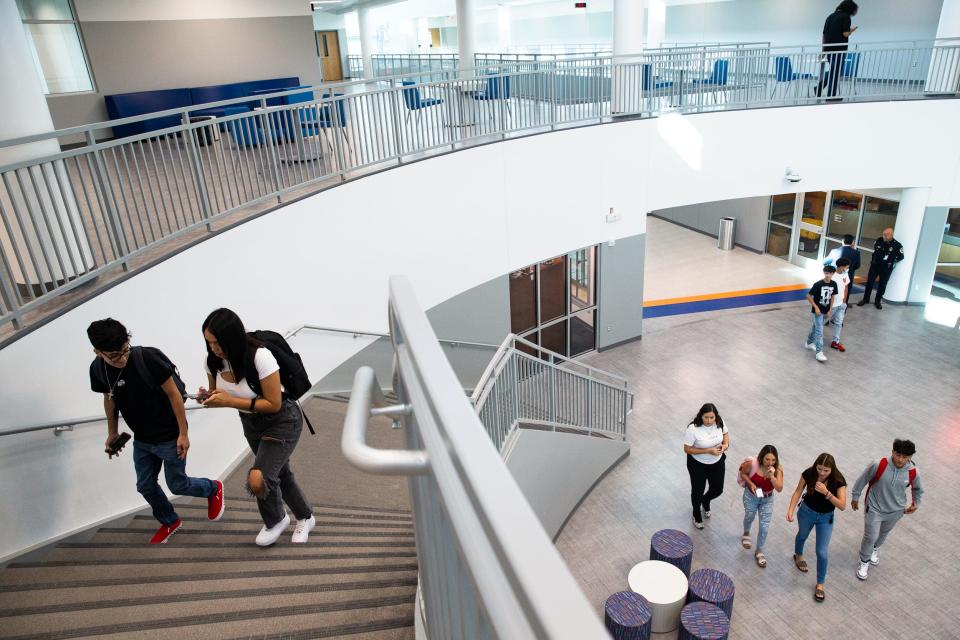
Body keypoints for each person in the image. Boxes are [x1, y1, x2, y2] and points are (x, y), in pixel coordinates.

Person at [87, 318, 224, 545]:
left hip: (169, 434)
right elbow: (108, 399)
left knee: (177, 484)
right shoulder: (98, 370)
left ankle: (212, 488)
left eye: (124, 350)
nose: (121, 358)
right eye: (113, 355)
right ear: (97, 351)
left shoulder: (147, 358)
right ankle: (170, 520)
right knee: (145, 485)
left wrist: (183, 433)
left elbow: (174, 395)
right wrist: (112, 432)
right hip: (142, 438)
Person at [200, 308, 315, 546]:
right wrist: (207, 397)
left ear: (231, 337)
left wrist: (229, 401)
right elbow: (217, 391)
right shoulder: (212, 361)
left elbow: (273, 403)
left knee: (259, 477)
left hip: (282, 419)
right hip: (250, 422)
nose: (213, 348)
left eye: (217, 343)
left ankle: (275, 521)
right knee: (280, 473)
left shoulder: (259, 356)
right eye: (209, 343)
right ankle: (303, 516)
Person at [850, 439, 924, 581]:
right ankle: (864, 561)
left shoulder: (913, 472)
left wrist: (916, 503)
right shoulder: (879, 464)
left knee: (883, 533)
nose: (900, 459)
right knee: (870, 536)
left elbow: (918, 489)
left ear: (910, 457)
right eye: (898, 455)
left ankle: (875, 549)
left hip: (896, 511)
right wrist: (855, 496)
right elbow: (863, 479)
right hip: (874, 508)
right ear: (892, 452)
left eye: (905, 457)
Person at [787, 452, 847, 602]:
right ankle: (798, 555)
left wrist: (827, 493)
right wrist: (790, 510)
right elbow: (798, 492)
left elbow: (842, 505)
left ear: (832, 469)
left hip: (826, 518)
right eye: (819, 469)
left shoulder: (838, 481)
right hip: (807, 511)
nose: (822, 473)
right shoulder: (809, 473)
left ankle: (820, 584)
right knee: (802, 535)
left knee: (822, 552)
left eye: (826, 470)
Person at [683, 403, 729, 530]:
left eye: (711, 417)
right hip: (698, 465)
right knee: (698, 491)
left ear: (716, 417)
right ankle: (696, 512)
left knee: (718, 489)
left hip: (717, 461)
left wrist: (725, 446)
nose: (709, 421)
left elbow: (726, 435)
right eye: (706, 417)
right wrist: (708, 450)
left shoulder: (720, 422)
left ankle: (706, 500)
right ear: (701, 416)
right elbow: (687, 449)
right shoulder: (693, 429)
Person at [738, 444, 784, 568]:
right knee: (750, 515)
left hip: (767, 500)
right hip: (751, 496)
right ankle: (746, 533)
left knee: (764, 527)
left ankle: (759, 550)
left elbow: (779, 488)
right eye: (767, 459)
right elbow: (743, 474)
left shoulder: (778, 469)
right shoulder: (752, 464)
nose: (770, 462)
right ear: (762, 457)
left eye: (773, 460)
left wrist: (772, 477)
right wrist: (751, 483)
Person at [816, 1, 859, 101]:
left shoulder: (830, 16)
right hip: (839, 50)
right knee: (835, 72)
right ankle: (831, 96)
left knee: (833, 71)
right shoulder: (845, 17)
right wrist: (851, 30)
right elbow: (845, 34)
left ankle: (819, 88)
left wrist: (824, 51)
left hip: (829, 49)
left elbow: (824, 35)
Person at [857, 228, 904, 309]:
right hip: (875, 266)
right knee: (869, 283)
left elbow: (901, 256)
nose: (884, 236)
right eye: (883, 234)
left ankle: (877, 301)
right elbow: (876, 249)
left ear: (891, 234)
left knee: (882, 285)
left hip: (886, 268)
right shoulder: (879, 240)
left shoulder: (897, 245)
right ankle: (865, 299)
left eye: (886, 235)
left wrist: (892, 261)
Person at [805, 264, 838, 362]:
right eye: (826, 273)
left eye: (829, 273)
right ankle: (819, 353)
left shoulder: (834, 284)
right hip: (818, 312)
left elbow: (832, 297)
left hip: (826, 310)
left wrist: (830, 310)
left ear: (833, 274)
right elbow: (808, 295)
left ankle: (809, 342)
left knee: (816, 328)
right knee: (819, 331)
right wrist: (816, 307)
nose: (827, 275)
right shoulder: (818, 284)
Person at [827, 257, 851, 352]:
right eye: (846, 267)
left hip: (841, 304)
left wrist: (844, 301)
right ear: (841, 267)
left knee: (839, 323)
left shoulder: (845, 274)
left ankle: (835, 342)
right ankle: (813, 339)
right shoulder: (832, 276)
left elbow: (846, 287)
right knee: (821, 322)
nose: (847, 268)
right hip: (832, 305)